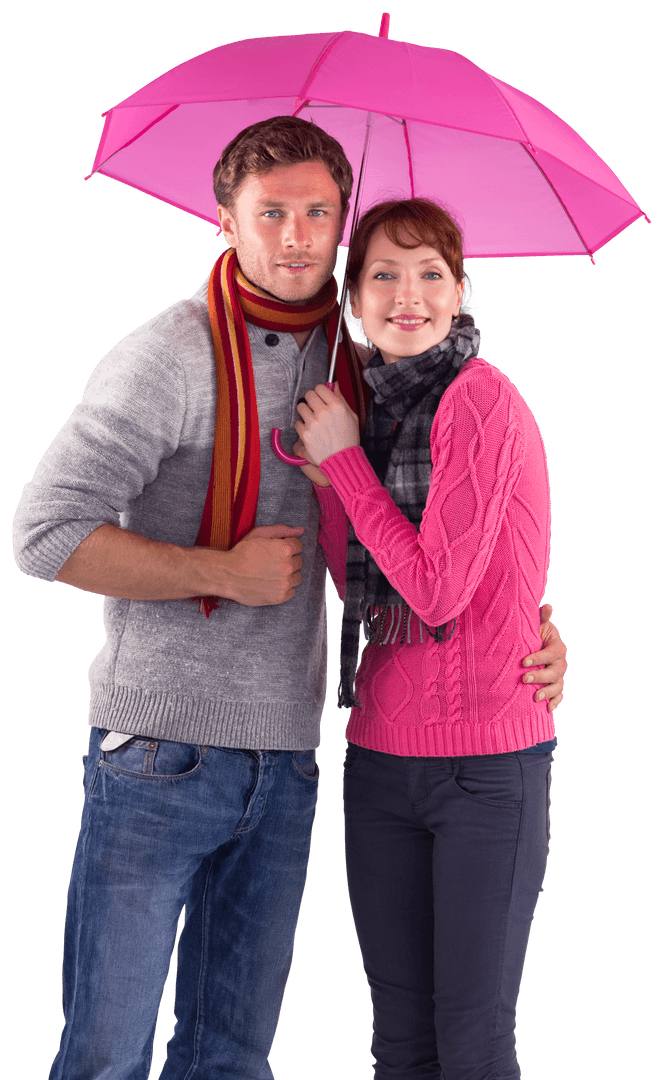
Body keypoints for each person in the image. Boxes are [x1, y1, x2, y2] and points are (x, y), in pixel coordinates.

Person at [12, 119, 566, 1080]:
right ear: (226, 222)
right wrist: (216, 571)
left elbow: (438, 543)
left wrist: (531, 629)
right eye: (273, 214)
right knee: (106, 1056)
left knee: (233, 1057)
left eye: (320, 213)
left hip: (291, 755)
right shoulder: (167, 355)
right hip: (160, 751)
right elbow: (42, 533)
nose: (300, 236)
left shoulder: (365, 369)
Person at [294, 197, 561, 1079]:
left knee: (473, 1040)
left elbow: (438, 591)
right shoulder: (368, 414)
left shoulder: (478, 400)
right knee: (401, 1042)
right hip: (378, 762)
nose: (408, 294)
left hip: (485, 772)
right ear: (354, 301)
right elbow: (362, 587)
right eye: (383, 274)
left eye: (430, 274)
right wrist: (340, 460)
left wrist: (344, 466)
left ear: (460, 295)